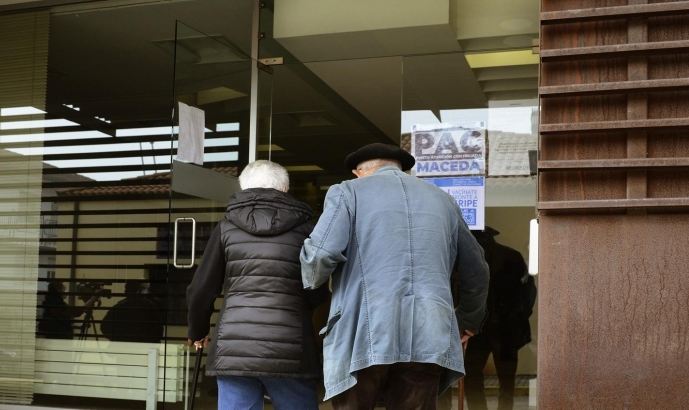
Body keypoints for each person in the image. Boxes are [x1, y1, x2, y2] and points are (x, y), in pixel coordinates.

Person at [299, 143, 490, 410]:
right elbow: (476, 268)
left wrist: (311, 282)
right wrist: (468, 320)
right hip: (430, 332)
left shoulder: (347, 192)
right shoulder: (443, 199)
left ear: (358, 171)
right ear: (399, 166)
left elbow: (320, 256)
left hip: (364, 333)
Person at [186, 160, 329, 410]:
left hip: (235, 345)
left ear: (243, 189)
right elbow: (317, 288)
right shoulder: (307, 227)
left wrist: (197, 330)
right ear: (284, 189)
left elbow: (201, 288)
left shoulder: (227, 226)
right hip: (290, 347)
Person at [462, 227, 536, 410]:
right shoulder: (512, 256)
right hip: (500, 329)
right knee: (504, 380)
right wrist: (518, 318)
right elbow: (528, 293)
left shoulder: (471, 260)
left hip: (485, 329)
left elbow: (527, 293)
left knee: (475, 377)